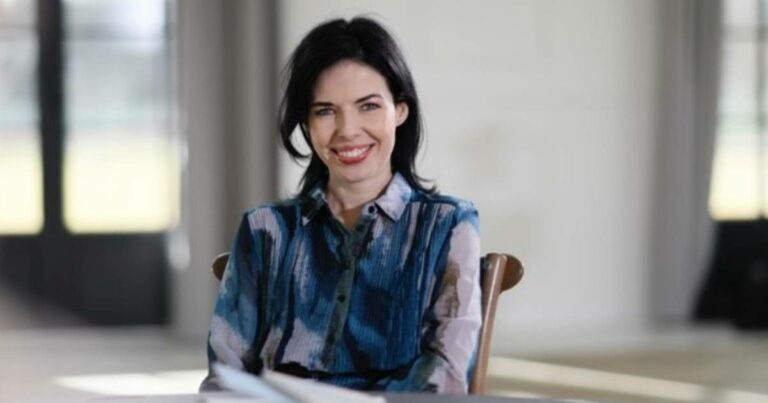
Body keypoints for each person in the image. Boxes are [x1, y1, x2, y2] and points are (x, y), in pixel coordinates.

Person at [202, 17, 482, 394]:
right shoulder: (265, 230)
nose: (348, 130)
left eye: (368, 106)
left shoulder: (449, 225)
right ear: (306, 122)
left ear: (400, 110)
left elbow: (446, 374)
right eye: (325, 111)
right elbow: (226, 375)